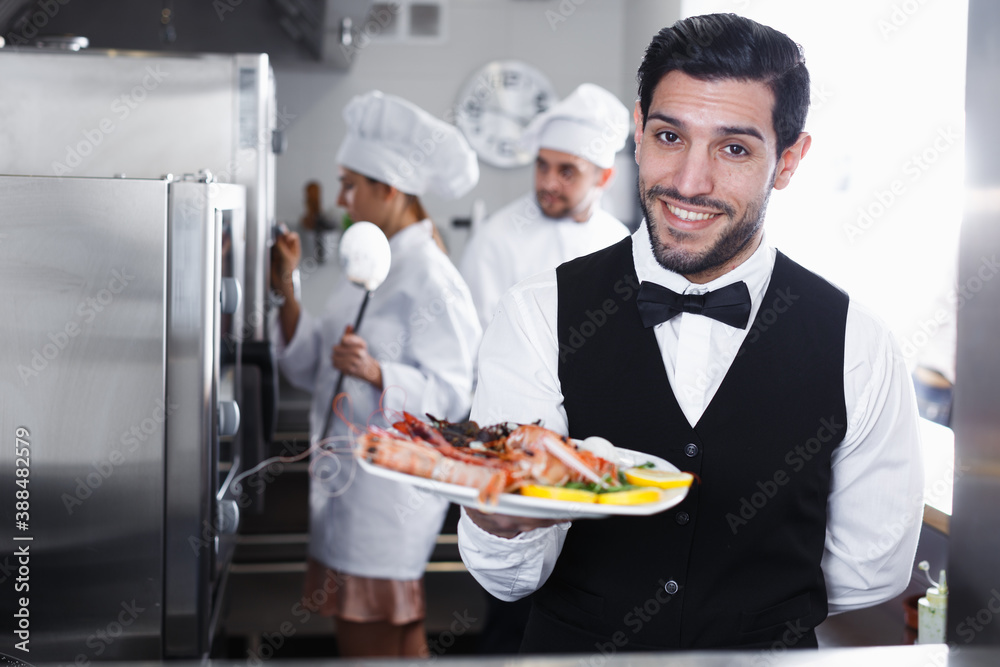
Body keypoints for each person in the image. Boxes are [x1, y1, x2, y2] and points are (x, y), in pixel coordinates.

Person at [457, 13, 924, 653]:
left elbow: (871, 568)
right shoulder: (538, 313)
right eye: (670, 136)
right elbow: (506, 580)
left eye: (734, 148)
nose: (688, 182)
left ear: (788, 161)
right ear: (638, 130)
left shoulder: (858, 344)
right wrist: (500, 521)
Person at [270, 90, 482, 658]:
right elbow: (318, 360)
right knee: (391, 636)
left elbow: (455, 395)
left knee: (370, 637)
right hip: (350, 485)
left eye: (350, 184)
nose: (341, 199)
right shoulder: (372, 261)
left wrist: (377, 371)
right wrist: (286, 289)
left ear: (388, 190)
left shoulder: (430, 276)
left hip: (388, 498)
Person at [459, 83, 631, 330]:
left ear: (603, 178)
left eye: (567, 172)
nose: (549, 183)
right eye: (542, 166)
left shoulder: (618, 240)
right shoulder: (495, 239)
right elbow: (475, 344)